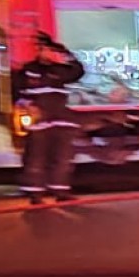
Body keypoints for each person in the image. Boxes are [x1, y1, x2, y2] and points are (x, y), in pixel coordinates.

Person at [14, 36, 85, 204]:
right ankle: (35, 193)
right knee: (36, 158)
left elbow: (79, 71)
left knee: (62, 158)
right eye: (44, 49)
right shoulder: (29, 69)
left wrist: (65, 53)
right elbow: (17, 91)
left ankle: (61, 191)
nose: (48, 53)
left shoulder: (60, 70)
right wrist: (27, 105)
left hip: (61, 120)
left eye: (51, 50)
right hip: (40, 121)